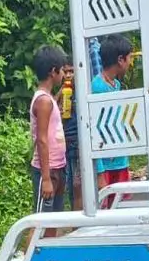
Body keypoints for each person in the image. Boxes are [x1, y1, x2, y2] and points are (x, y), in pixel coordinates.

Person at [30, 45, 67, 232]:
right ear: (53, 71)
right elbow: (42, 140)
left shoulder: (48, 98)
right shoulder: (43, 101)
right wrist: (45, 179)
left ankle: (49, 250)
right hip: (48, 170)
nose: (64, 74)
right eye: (62, 70)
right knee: (40, 223)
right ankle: (31, 250)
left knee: (53, 221)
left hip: (58, 167)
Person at [92, 34, 133, 207]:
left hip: (120, 161)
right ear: (120, 60)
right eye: (129, 58)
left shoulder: (116, 84)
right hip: (106, 164)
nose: (130, 63)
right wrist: (100, 171)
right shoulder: (97, 87)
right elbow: (94, 130)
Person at [57, 58, 82, 210]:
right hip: (66, 140)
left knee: (78, 184)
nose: (68, 75)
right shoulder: (63, 92)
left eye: (71, 71)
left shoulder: (80, 91)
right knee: (70, 184)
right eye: (65, 72)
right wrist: (62, 90)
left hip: (78, 141)